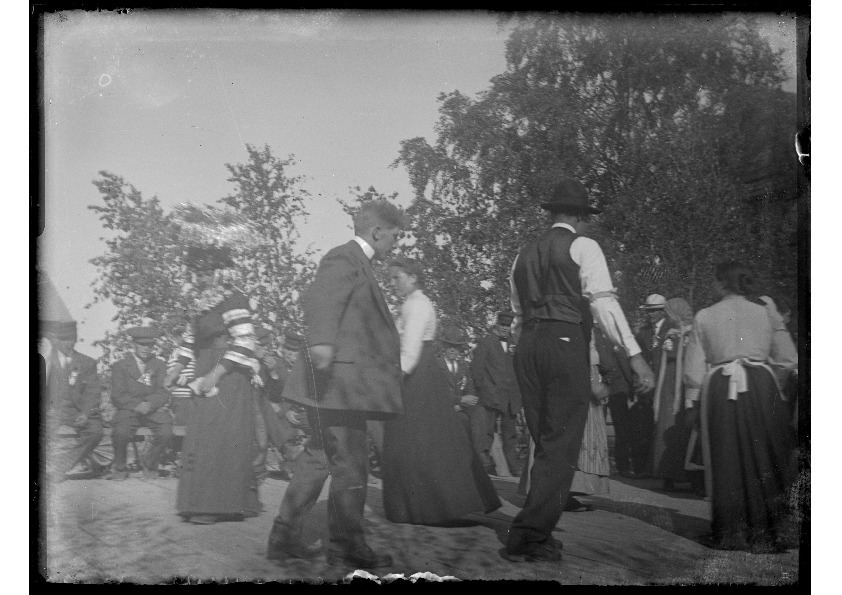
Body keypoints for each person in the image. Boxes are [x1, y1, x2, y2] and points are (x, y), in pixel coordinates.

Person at [505, 178, 655, 563]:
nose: (587, 225)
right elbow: (603, 304)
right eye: (586, 218)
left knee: (544, 442)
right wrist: (634, 355)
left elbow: (518, 317)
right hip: (565, 341)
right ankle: (530, 535)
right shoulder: (583, 246)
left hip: (527, 346)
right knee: (561, 444)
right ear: (577, 217)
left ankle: (535, 529)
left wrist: (524, 351)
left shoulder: (522, 254)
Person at [267, 200, 406, 568]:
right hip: (339, 386)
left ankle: (283, 538)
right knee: (350, 465)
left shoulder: (361, 265)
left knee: (318, 458)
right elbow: (321, 299)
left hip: (341, 385)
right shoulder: (344, 258)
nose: (398, 242)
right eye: (396, 235)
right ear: (377, 231)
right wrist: (322, 344)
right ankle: (348, 547)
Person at [683, 262, 798, 553]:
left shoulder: (705, 315)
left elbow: (694, 370)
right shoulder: (766, 313)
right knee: (767, 454)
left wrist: (691, 403)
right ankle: (769, 532)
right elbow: (787, 358)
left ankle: (730, 533)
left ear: (722, 284)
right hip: (762, 385)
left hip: (721, 387)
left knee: (726, 456)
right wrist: (774, 386)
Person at [381, 258, 501, 525]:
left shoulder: (417, 305)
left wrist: (392, 381)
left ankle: (428, 507)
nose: (392, 284)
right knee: (420, 441)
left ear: (412, 277)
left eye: (396, 278)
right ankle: (418, 507)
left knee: (419, 441)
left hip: (416, 377)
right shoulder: (412, 303)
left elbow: (410, 352)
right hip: (420, 375)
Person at [174, 243, 262, 524]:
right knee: (202, 437)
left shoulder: (234, 300)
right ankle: (212, 501)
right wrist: (176, 367)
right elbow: (190, 340)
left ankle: (215, 505)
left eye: (206, 273)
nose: (200, 279)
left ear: (221, 273)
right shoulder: (199, 303)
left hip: (228, 375)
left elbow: (246, 341)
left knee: (219, 439)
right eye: (197, 274)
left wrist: (216, 373)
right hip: (204, 369)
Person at [41, 320, 104, 483]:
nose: (67, 343)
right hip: (51, 411)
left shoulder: (87, 362)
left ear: (76, 339)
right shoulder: (46, 360)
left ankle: (61, 466)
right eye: (63, 339)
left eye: (71, 339)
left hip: (77, 411)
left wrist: (85, 413)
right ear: (55, 340)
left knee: (96, 431)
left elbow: (93, 392)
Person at [107, 326, 173, 480]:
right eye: (142, 344)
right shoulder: (120, 366)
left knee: (166, 431)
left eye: (150, 345)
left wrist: (149, 404)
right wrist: (137, 405)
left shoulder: (159, 365)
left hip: (152, 410)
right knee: (120, 431)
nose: (146, 348)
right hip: (129, 410)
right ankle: (120, 468)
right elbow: (117, 395)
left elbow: (163, 392)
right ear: (134, 344)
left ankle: (149, 464)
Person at [650, 298, 697, 492]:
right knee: (666, 425)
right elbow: (662, 362)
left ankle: (688, 474)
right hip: (668, 385)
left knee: (685, 427)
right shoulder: (670, 335)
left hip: (686, 383)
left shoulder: (694, 334)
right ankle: (667, 473)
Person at [470, 311, 523, 477]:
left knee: (510, 434)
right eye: (502, 325)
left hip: (510, 398)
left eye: (508, 326)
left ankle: (514, 468)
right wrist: (486, 389)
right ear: (496, 325)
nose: (505, 329)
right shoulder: (486, 343)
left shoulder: (514, 343)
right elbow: (476, 370)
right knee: (486, 432)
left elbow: (519, 369)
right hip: (491, 397)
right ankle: (486, 466)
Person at [626, 293, 669, 478]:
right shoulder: (643, 332)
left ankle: (660, 468)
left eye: (655, 311)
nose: (651, 314)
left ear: (663, 311)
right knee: (642, 426)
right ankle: (642, 469)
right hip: (645, 388)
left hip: (664, 385)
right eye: (649, 311)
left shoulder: (672, 330)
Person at [595, 326, 637, 478]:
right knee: (621, 429)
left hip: (610, 384)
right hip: (614, 384)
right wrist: (631, 383)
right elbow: (615, 363)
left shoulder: (599, 333)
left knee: (608, 427)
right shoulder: (608, 334)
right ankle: (622, 466)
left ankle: (603, 465)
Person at [437, 324, 479, 440]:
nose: (452, 349)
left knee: (479, 417)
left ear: (460, 349)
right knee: (462, 421)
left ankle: (481, 454)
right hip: (440, 412)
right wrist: (459, 400)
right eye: (449, 345)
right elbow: (435, 394)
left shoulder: (463, 368)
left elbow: (470, 392)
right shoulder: (436, 366)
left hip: (461, 410)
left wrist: (460, 405)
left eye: (456, 346)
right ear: (443, 346)